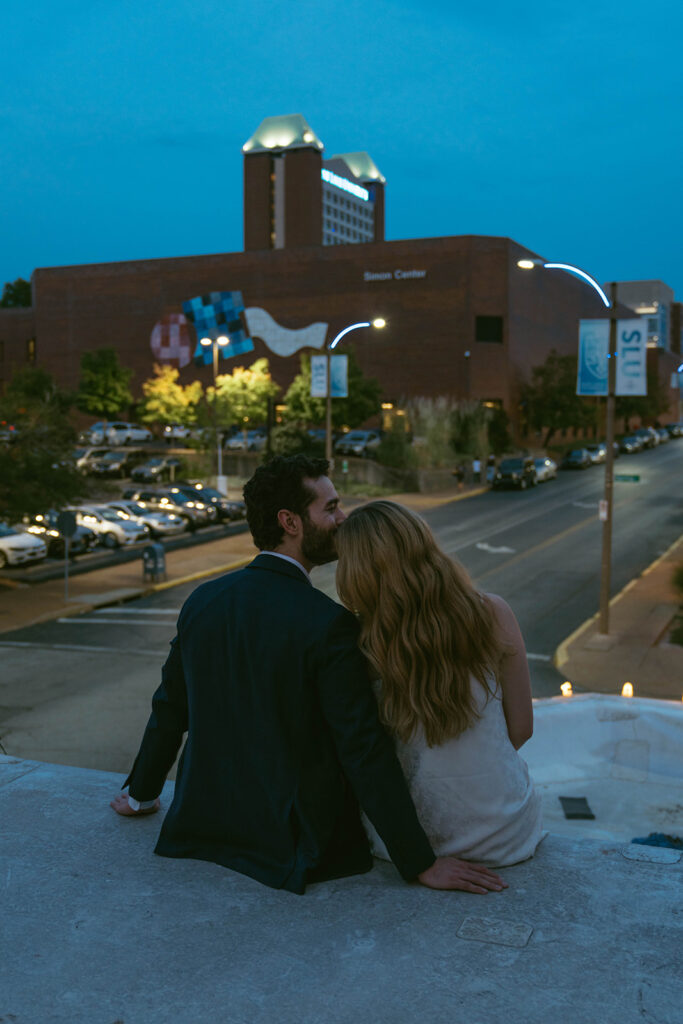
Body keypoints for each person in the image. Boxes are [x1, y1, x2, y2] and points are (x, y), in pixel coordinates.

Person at [111, 456, 507, 896]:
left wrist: (141, 796)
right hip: (290, 845)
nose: (342, 520)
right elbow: (362, 749)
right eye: (331, 508)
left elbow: (170, 708)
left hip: (202, 826)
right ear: (291, 522)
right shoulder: (329, 624)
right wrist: (419, 861)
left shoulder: (204, 600)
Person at [335, 500, 544, 868]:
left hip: (414, 844)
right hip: (507, 834)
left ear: (355, 571)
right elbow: (522, 729)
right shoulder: (493, 612)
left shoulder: (359, 642)